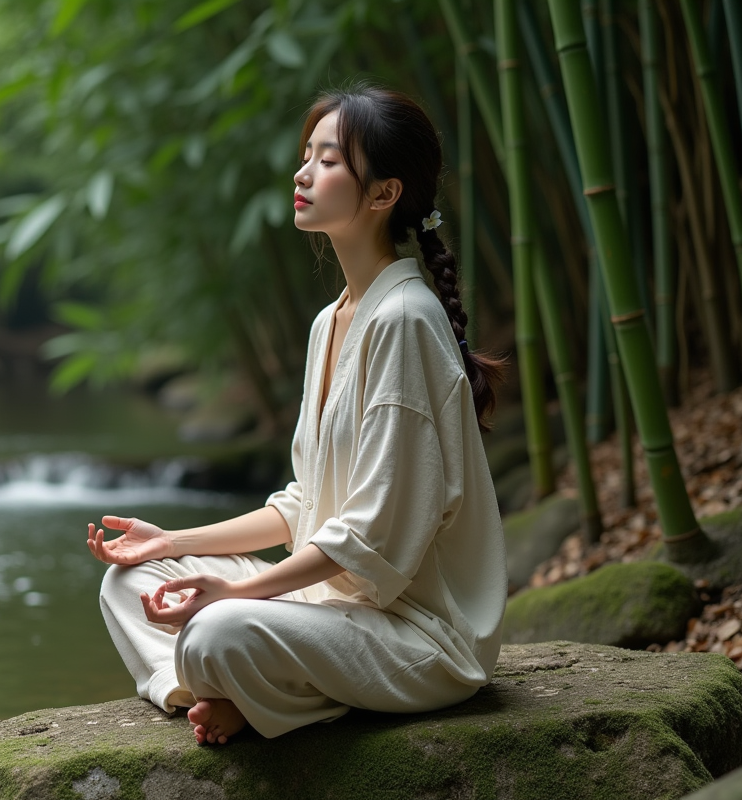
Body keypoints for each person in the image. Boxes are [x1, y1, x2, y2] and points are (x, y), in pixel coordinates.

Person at [86, 84, 507, 746]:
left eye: (329, 159)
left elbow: (371, 542)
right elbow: (302, 506)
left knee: (216, 628)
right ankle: (221, 690)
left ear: (383, 194)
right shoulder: (328, 322)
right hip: (327, 613)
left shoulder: (404, 320)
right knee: (129, 580)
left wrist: (235, 596)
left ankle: (246, 692)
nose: (302, 172)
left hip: (415, 635)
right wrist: (173, 543)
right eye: (306, 154)